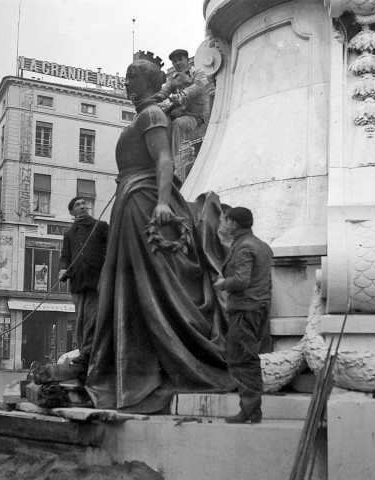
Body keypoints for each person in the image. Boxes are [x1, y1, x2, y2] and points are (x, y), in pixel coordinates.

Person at [85, 56, 234, 413]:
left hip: (145, 201)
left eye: (132, 78)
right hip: (130, 199)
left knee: (150, 284)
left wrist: (164, 203)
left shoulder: (152, 115)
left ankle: (152, 360)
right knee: (131, 284)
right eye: (125, 78)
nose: (126, 84)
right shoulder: (141, 117)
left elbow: (164, 158)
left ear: (150, 82)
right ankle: (127, 360)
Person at [213, 207, 273, 423]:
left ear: (234, 224)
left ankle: (249, 410)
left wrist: (223, 284)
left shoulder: (244, 247)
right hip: (257, 308)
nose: (223, 224)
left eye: (225, 221)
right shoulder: (262, 246)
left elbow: (241, 280)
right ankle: (252, 411)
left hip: (245, 310)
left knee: (240, 359)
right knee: (247, 358)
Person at [58, 196, 108, 376]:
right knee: (80, 320)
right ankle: (83, 352)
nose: (82, 206)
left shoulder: (101, 227)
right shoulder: (69, 234)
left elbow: (110, 251)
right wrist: (62, 270)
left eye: (84, 204)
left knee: (91, 318)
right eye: (77, 205)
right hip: (77, 282)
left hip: (96, 282)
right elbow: (65, 257)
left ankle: (88, 354)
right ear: (72, 212)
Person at [152, 48, 208, 161]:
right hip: (178, 113)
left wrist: (181, 96)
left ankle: (172, 159)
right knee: (159, 120)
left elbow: (198, 87)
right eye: (174, 61)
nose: (178, 63)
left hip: (195, 116)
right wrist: (156, 97)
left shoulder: (198, 73)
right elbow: (165, 91)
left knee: (178, 124)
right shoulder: (174, 78)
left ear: (187, 60)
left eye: (180, 60)